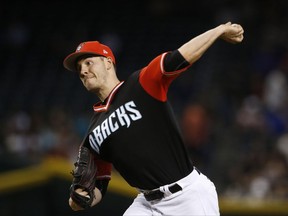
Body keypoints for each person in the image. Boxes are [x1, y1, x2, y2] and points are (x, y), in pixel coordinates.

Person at [63, 21, 244, 215]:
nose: (82, 71)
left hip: (187, 195)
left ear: (108, 62)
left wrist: (218, 31)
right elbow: (98, 186)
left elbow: (181, 56)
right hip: (146, 203)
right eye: (80, 68)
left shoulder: (141, 84)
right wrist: (83, 198)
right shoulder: (92, 133)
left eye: (89, 62)